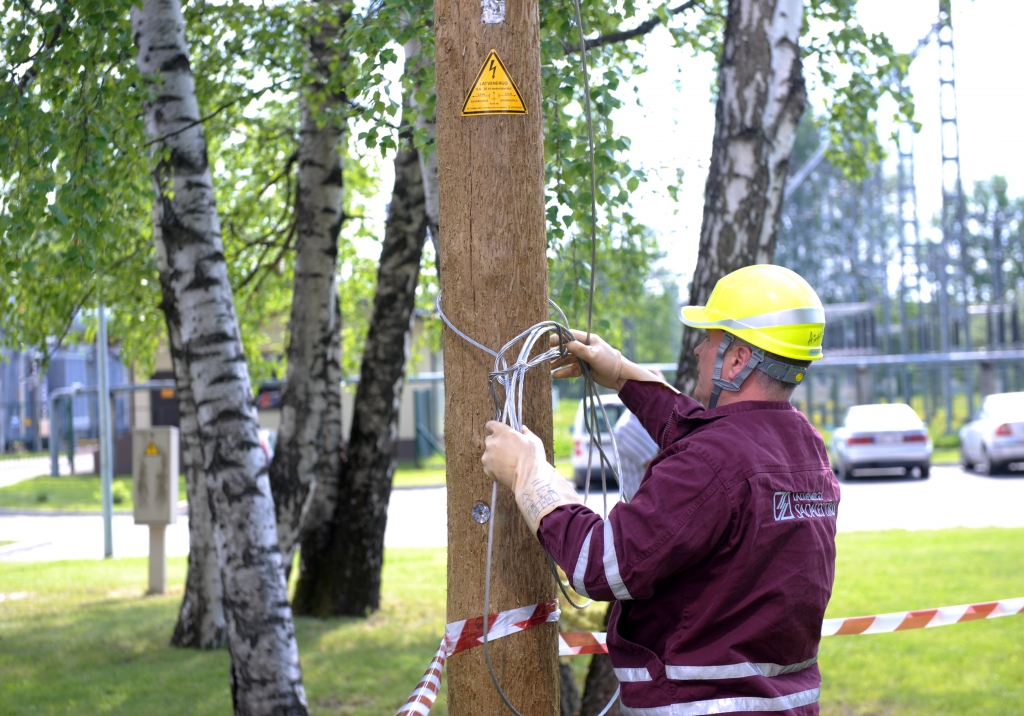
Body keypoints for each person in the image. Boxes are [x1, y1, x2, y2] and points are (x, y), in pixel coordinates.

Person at [482, 264, 839, 716]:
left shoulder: (714, 461)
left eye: (709, 339)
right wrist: (624, 376)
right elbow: (712, 443)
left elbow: (601, 564)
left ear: (737, 360)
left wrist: (528, 475)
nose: (697, 350)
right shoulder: (804, 446)